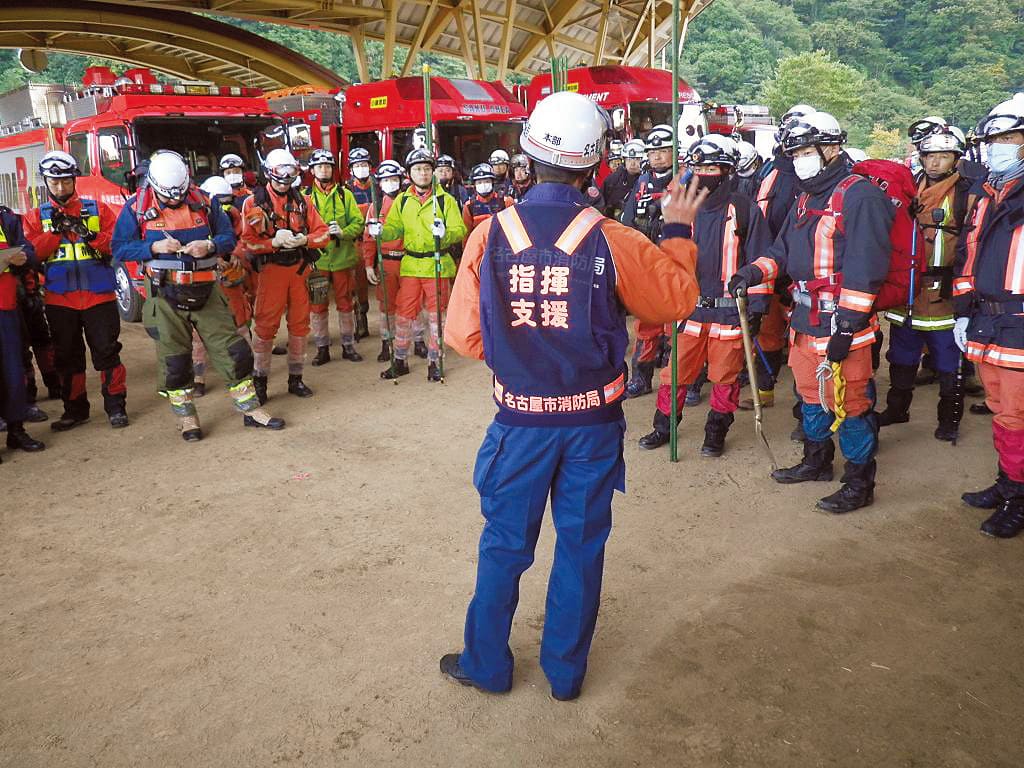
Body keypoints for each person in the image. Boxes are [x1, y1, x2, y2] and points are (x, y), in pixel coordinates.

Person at [440, 91, 704, 700]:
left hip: (520, 426)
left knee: (504, 547)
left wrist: (521, 352)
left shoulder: (488, 235)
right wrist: (677, 232)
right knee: (581, 549)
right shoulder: (614, 238)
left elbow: (463, 336)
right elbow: (676, 301)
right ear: (596, 165)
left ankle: (487, 665)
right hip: (593, 426)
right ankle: (565, 675)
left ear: (527, 155)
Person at [729, 111, 894, 514]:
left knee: (851, 402)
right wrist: (753, 271)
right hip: (803, 321)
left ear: (832, 147)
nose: (799, 159)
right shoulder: (806, 196)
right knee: (810, 397)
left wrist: (848, 328)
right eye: (795, 152)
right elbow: (783, 250)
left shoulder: (859, 196)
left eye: (806, 150)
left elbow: (867, 266)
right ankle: (816, 462)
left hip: (842, 323)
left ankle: (859, 482)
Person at [111, 150, 284, 439]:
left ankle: (251, 410)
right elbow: (119, 248)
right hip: (164, 294)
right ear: (153, 185)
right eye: (167, 196)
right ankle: (187, 419)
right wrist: (151, 249)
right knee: (175, 360)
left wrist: (211, 246)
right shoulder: (136, 208)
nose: (175, 200)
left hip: (207, 289)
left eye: (179, 193)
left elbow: (228, 237)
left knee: (234, 351)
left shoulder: (206, 202)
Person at [638, 134, 771, 454]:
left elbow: (761, 258)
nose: (706, 172)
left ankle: (716, 432)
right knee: (675, 375)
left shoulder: (744, 207)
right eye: (699, 166)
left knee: (725, 377)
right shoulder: (682, 208)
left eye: (713, 166)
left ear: (727, 170)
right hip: (690, 310)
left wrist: (757, 307)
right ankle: (664, 426)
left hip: (729, 311)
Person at [954, 93, 1024, 538]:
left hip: (1019, 321)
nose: (998, 145)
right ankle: (1008, 482)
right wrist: (963, 309)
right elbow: (968, 253)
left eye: (1009, 137)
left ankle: (1018, 498)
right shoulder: (986, 195)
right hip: (987, 320)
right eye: (993, 138)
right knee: (1000, 410)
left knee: (1017, 414)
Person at [879, 122, 973, 441]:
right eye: (929, 155)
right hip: (908, 291)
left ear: (956, 158)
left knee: (949, 360)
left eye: (944, 156)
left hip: (945, 293)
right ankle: (897, 409)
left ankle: (949, 420)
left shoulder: (966, 193)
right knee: (901, 355)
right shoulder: (909, 186)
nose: (935, 162)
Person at [22, 150, 127, 432]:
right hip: (60, 299)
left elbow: (117, 246)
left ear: (74, 180)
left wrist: (90, 235)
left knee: (107, 353)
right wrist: (54, 234)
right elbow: (31, 256)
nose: (60, 188)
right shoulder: (35, 217)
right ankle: (75, 410)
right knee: (67, 357)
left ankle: (116, 407)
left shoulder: (98, 209)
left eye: (65, 181)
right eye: (54, 182)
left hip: (99, 296)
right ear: (45, 182)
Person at [241, 148, 330, 404]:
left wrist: (306, 239)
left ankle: (296, 378)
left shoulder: (303, 201)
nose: (286, 176)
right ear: (270, 172)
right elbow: (248, 243)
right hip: (271, 271)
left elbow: (323, 233)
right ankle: (260, 381)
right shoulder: (253, 203)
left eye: (291, 171)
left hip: (299, 270)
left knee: (300, 325)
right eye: (282, 171)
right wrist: (273, 243)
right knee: (266, 326)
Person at [369, 149, 467, 381]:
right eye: (417, 169)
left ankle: (435, 360)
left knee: (437, 316)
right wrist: (381, 230)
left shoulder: (445, 200)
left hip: (437, 264)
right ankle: (400, 359)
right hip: (411, 264)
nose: (422, 173)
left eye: (426, 168)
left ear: (432, 171)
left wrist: (444, 234)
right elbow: (395, 228)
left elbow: (460, 230)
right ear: (409, 173)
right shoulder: (403, 200)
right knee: (404, 314)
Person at [621, 124, 675, 398]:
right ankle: (641, 377)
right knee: (646, 325)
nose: (657, 157)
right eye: (653, 151)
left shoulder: (686, 182)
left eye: (663, 150)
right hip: (646, 264)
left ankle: (675, 379)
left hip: (675, 267)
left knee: (674, 326)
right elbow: (628, 223)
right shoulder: (641, 183)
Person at [304, 148, 366, 366]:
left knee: (345, 303)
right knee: (318, 305)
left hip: (342, 258)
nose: (324, 169)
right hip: (317, 262)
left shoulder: (344, 195)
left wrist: (343, 232)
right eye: (319, 166)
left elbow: (358, 223)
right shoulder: (305, 198)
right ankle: (322, 348)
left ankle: (348, 345)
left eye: (327, 166)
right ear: (312, 170)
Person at [0, 207, 46, 459]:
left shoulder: (5, 219)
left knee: (12, 370)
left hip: (5, 306)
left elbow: (27, 249)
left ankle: (16, 430)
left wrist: (22, 257)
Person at [363, 160, 406, 363]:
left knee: (410, 305)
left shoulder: (408, 202)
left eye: (394, 179)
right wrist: (368, 264)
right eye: (386, 180)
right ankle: (386, 343)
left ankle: (417, 341)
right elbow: (368, 239)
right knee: (386, 306)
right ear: (379, 183)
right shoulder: (375, 206)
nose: (390, 183)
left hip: (409, 260)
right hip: (386, 261)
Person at [346, 147, 375, 340]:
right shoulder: (347, 191)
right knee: (358, 282)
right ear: (351, 169)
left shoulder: (380, 187)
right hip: (357, 242)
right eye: (357, 165)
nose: (361, 168)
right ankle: (361, 319)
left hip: (380, 241)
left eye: (364, 164)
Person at [461, 163, 513, 235]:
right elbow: (467, 233)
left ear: (493, 182)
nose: (483, 185)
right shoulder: (469, 206)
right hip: (480, 244)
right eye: (479, 182)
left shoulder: (506, 201)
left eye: (487, 181)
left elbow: (513, 228)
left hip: (501, 243)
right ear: (474, 185)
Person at [601, 139, 644, 219]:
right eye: (629, 159)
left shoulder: (649, 180)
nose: (632, 164)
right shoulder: (612, 180)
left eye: (637, 159)